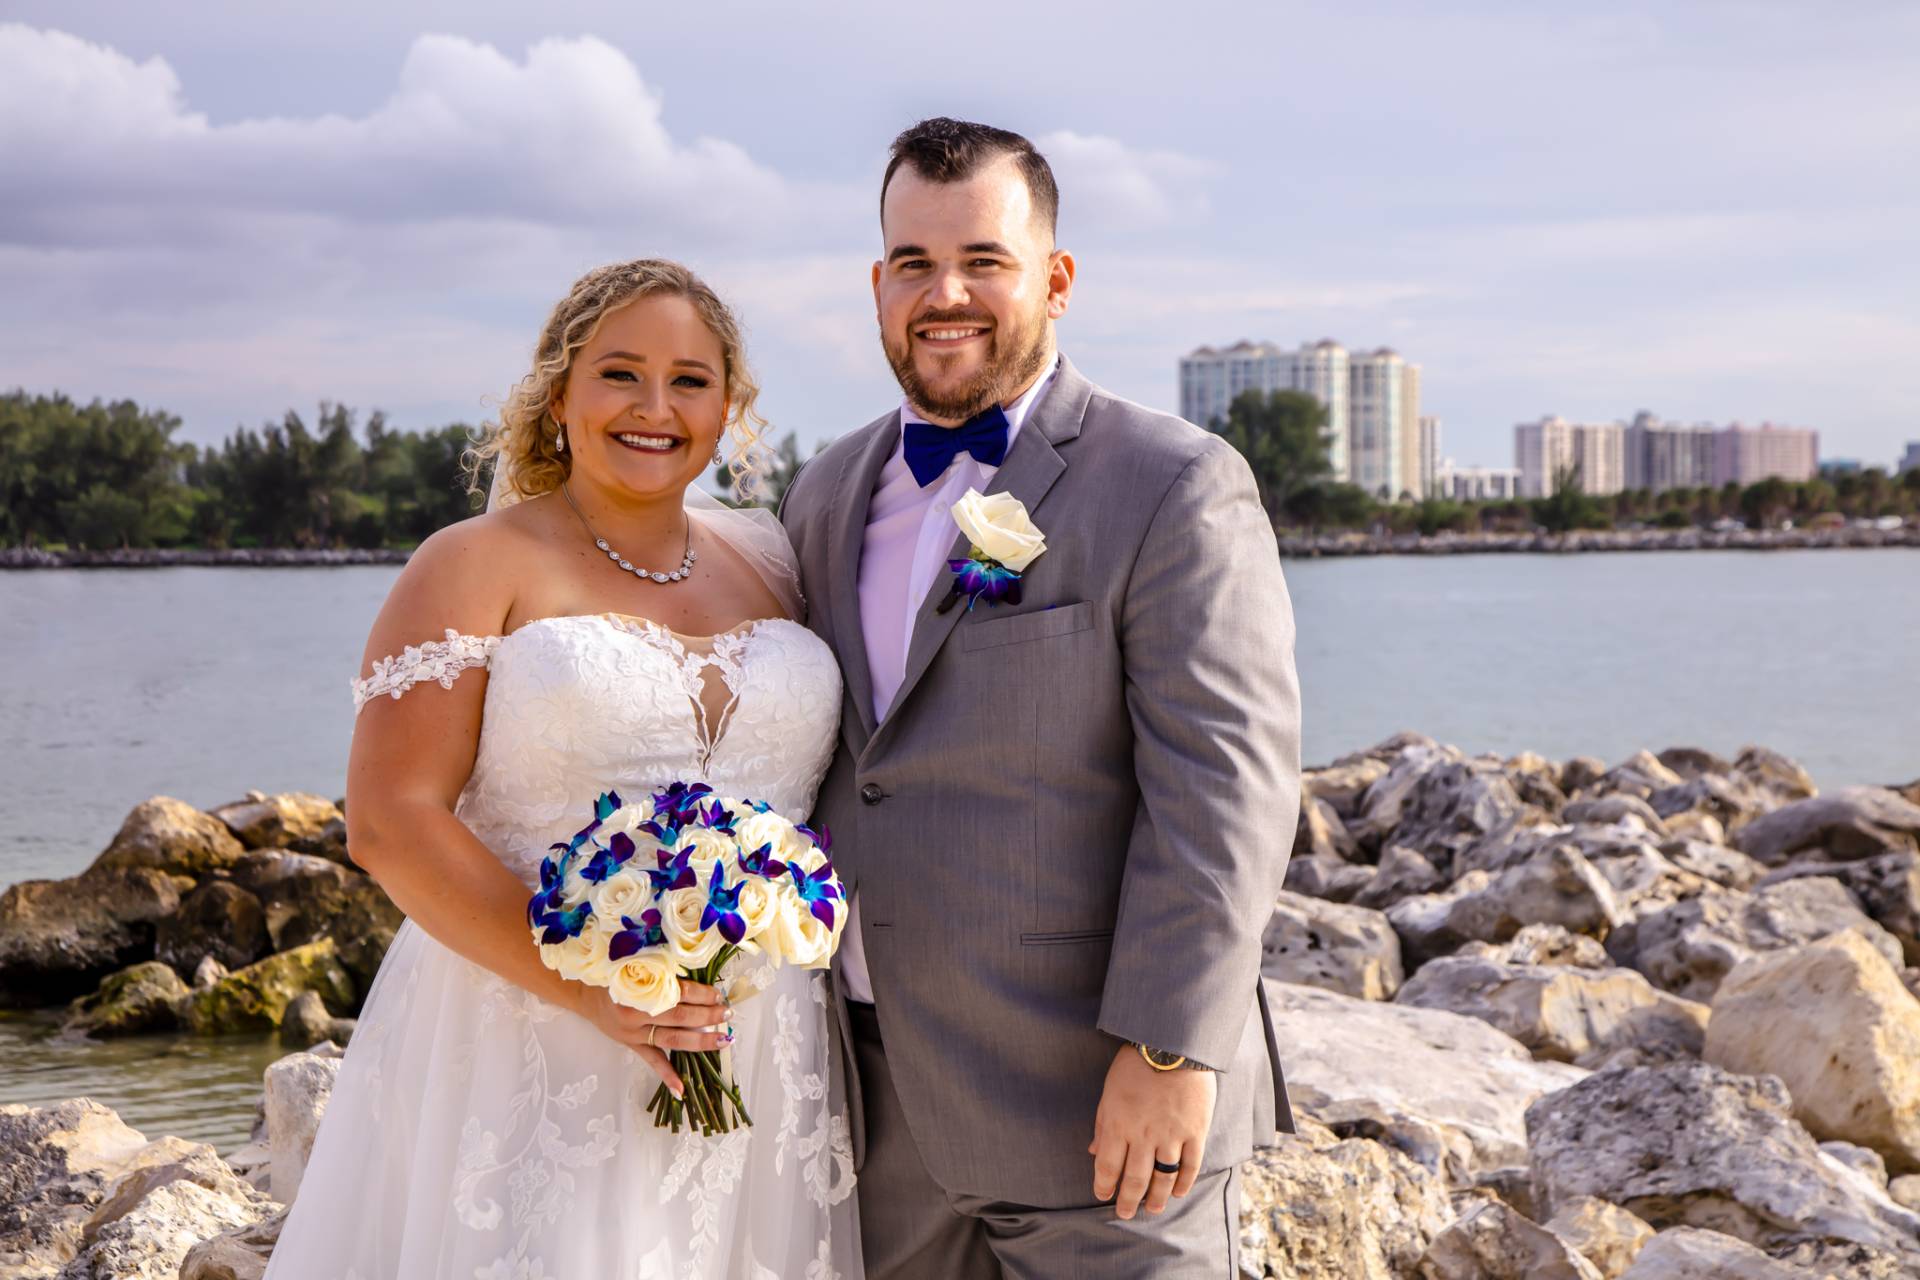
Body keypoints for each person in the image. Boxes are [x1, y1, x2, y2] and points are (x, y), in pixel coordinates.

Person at [779, 118, 1302, 1278]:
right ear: (877, 285)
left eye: (984, 261)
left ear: (1056, 280)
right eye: (913, 263)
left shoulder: (1173, 482)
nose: (944, 292)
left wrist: (1170, 1052)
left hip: (1101, 1118)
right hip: (873, 1121)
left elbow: (1228, 792)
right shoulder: (820, 495)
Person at [267, 259, 858, 1279]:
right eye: (620, 373)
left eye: (690, 380)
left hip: (764, 1049)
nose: (655, 407)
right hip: (532, 1039)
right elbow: (391, 821)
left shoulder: (774, 562)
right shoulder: (471, 561)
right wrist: (592, 994)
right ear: (558, 394)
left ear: (731, 408)